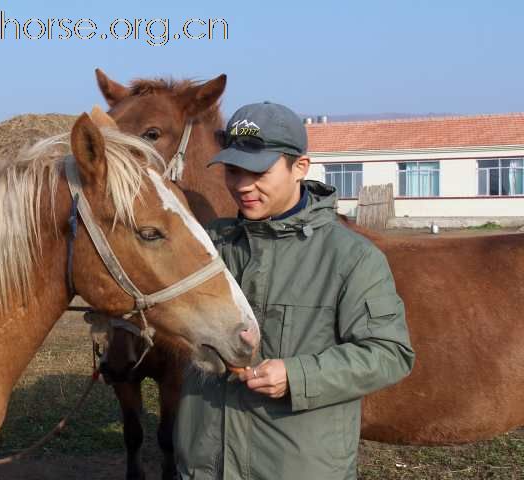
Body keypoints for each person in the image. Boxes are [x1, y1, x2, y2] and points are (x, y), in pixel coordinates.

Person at [173, 102, 415, 480]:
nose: (242, 186)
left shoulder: (350, 257)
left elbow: (390, 353)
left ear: (299, 167)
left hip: (297, 467)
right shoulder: (207, 247)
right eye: (233, 171)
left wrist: (298, 376)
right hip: (205, 465)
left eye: (258, 172)